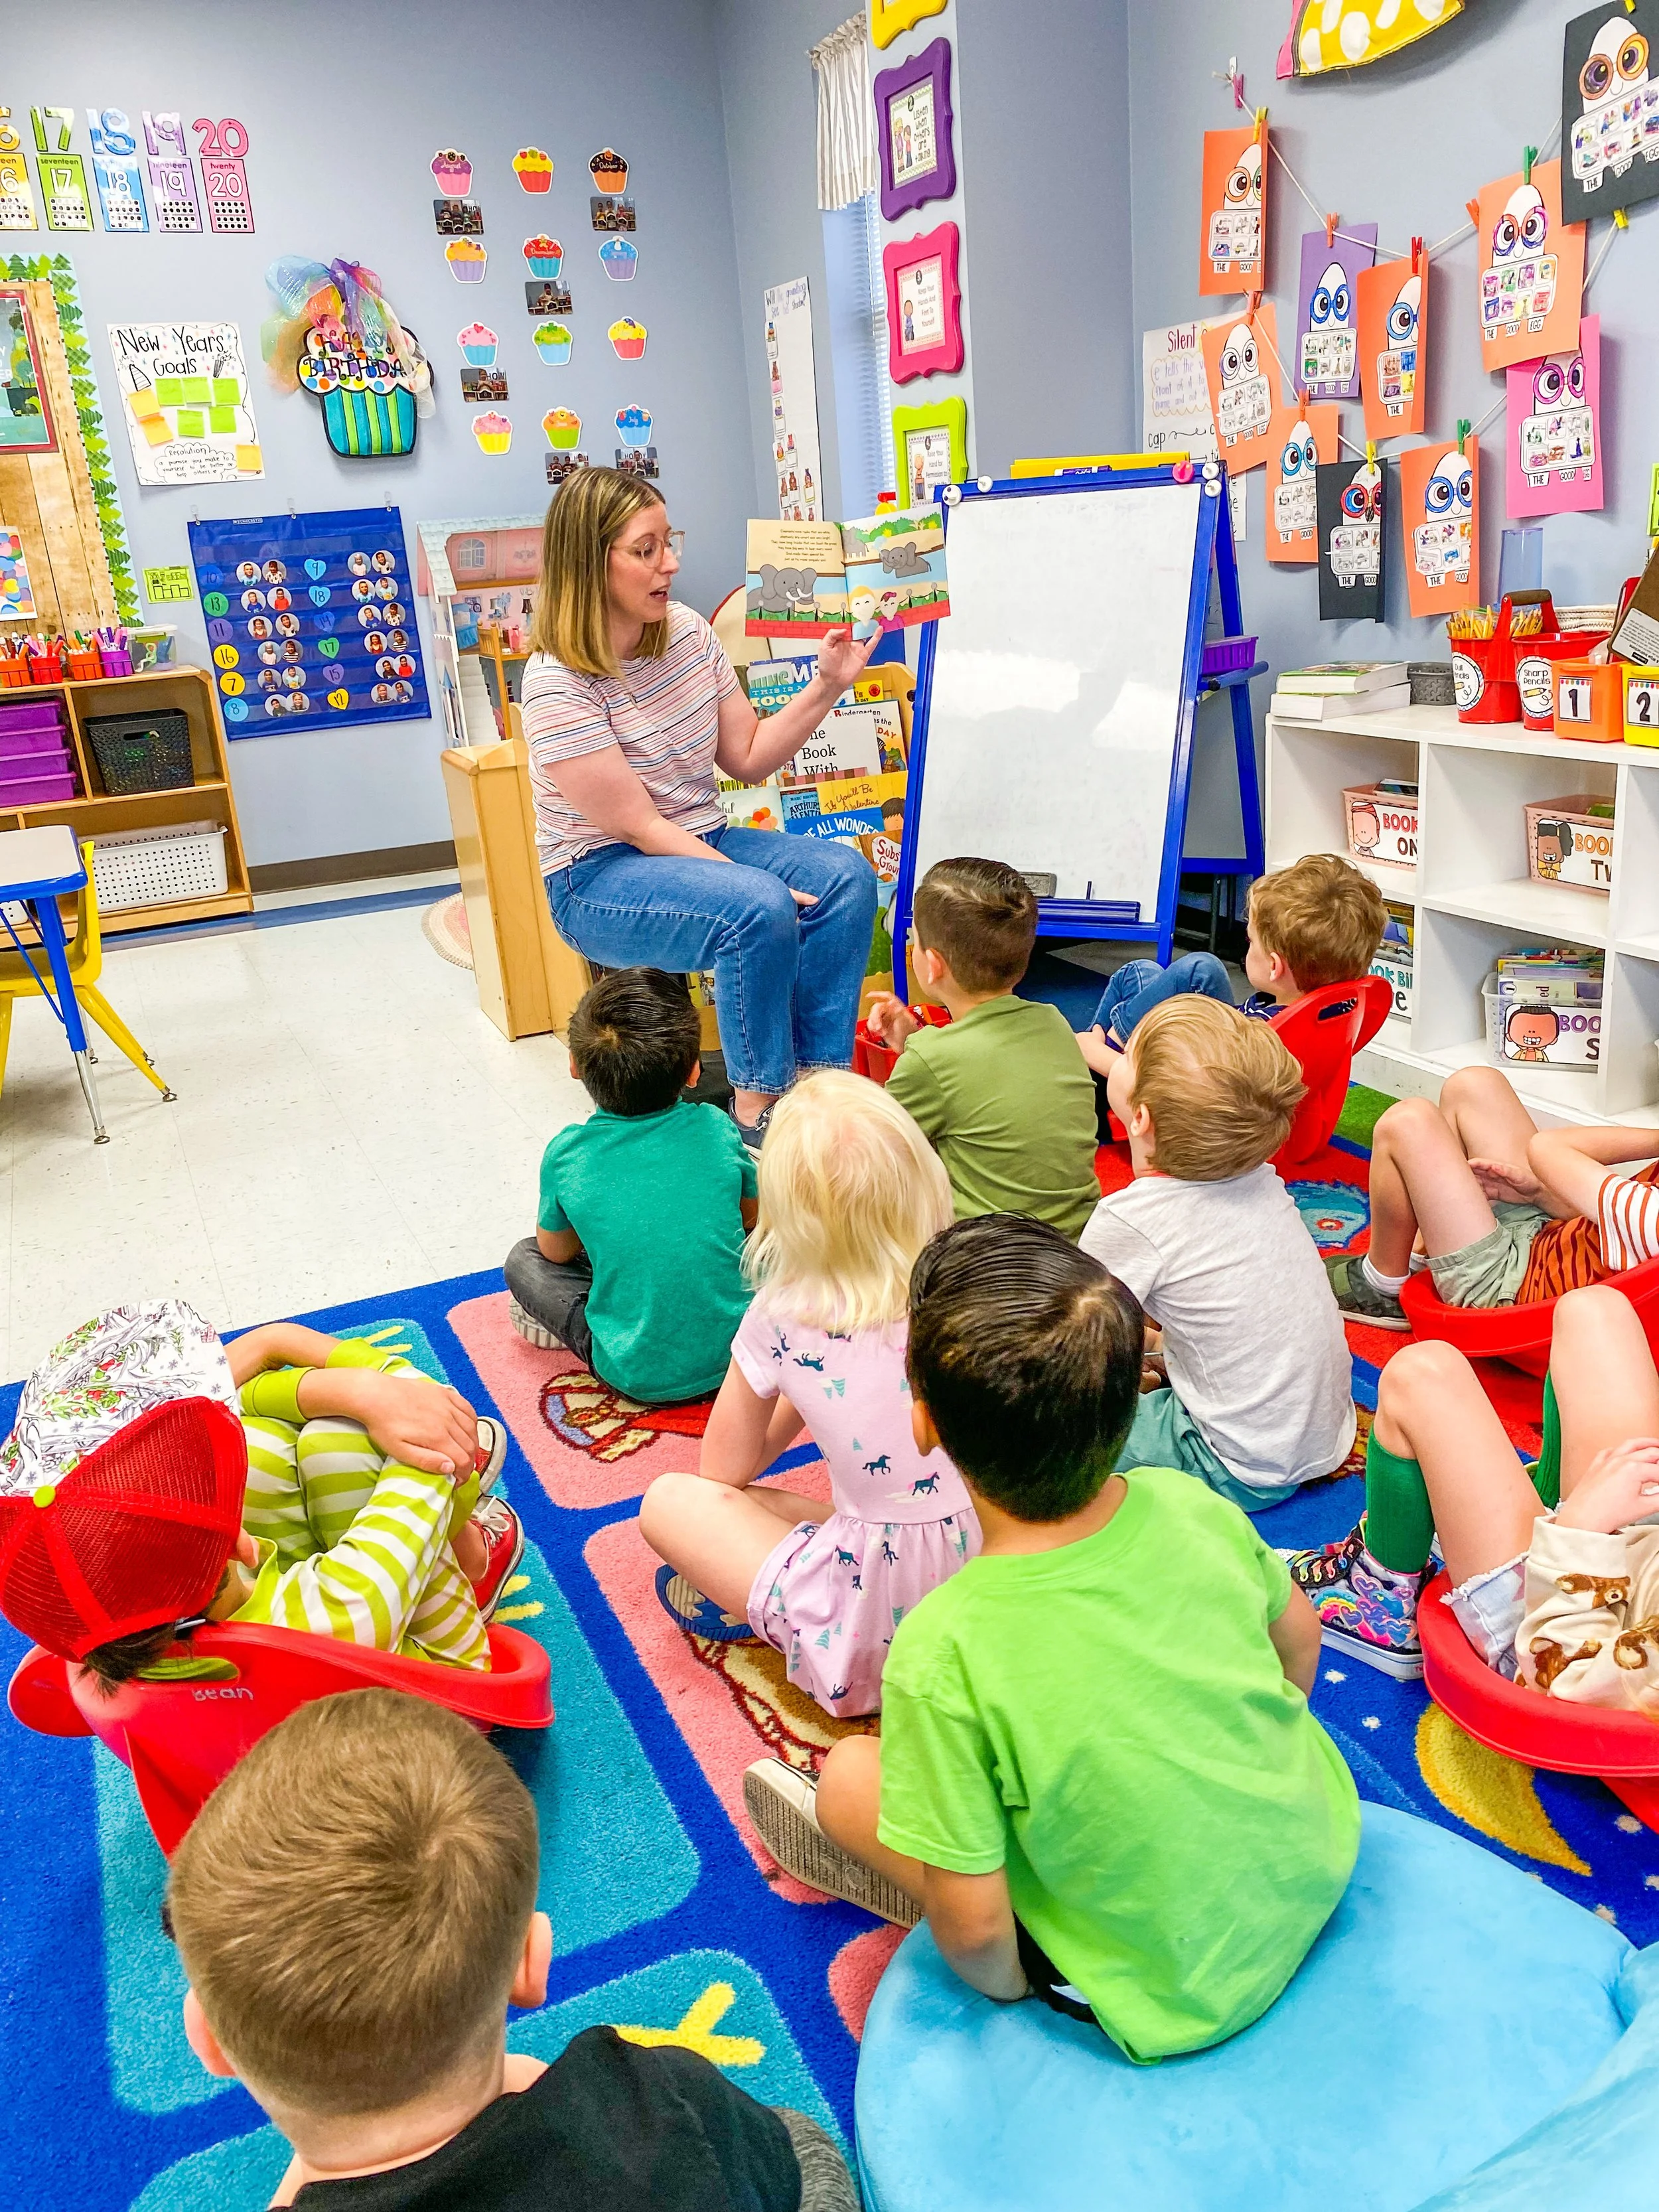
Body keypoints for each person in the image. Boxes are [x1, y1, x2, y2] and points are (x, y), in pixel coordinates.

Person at [743, 1216, 1359, 2060]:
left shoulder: (942, 1648)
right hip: (1316, 1855)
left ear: (922, 1425)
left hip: (1152, 1979)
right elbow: (1299, 1646)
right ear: (1134, 1391)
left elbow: (980, 1937)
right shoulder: (1193, 1507)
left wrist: (1017, 1987)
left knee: (851, 1776)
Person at [167, 1690, 856, 2210]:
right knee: (795, 2139)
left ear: (209, 2040)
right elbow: (790, 2168)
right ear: (532, 1963)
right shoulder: (650, 2097)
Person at [522, 467, 879, 1149]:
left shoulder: (685, 632)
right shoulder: (554, 683)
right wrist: (753, 884)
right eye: (646, 549)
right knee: (756, 906)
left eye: (669, 541)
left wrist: (827, 686)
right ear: (590, 563)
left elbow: (746, 754)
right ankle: (757, 1110)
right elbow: (640, 827)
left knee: (846, 876)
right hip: (596, 878)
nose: (671, 563)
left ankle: (817, 1083)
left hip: (697, 837)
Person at [639, 1070, 978, 1716]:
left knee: (674, 1501)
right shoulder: (971, 1278)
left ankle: (786, 1614)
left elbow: (723, 1472)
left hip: (869, 1640)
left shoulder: (783, 1313)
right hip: (995, 1588)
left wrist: (800, 1385)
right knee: (891, 1514)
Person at [0, 1301, 520, 1687]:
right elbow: (430, 1435)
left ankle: (453, 1515)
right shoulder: (342, 1610)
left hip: (272, 1681)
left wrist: (275, 1353)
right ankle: (472, 1554)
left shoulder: (100, 1638)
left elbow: (215, 1410)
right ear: (243, 1545)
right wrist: (367, 1390)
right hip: (433, 1684)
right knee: (348, 1438)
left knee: (261, 1443)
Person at [1286, 1284, 1659, 1692]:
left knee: (1422, 1374)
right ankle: (1544, 1503)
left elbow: (1567, 1672)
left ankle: (1381, 1601)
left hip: (1560, 1624)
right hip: (1642, 1556)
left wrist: (1579, 1528)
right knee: (1595, 1312)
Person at [1080, 996, 1355, 1506]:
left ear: (1139, 1118)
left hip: (1236, 1463)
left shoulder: (1131, 1219)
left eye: (1127, 1056)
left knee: (1053, 1427)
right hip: (1322, 1435)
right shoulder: (1262, 1178)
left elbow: (1074, 1343)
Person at [504, 967, 757, 1404]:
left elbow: (556, 1252)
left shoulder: (567, 1153)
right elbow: (751, 1220)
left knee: (523, 1259)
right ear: (695, 1071)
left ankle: (579, 1324)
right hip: (743, 1356)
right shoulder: (717, 1127)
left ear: (573, 1066)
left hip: (633, 1372)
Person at [863, 857, 1099, 1240]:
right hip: (1076, 1248)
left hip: (989, 1264)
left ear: (932, 965)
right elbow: (977, 1085)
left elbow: (873, 1154)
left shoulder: (931, 1059)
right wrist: (912, 1039)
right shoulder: (1054, 1022)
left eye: (914, 939)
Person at [1326, 1073, 1659, 1330]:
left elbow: (1548, 1148)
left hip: (1511, 1287)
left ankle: (1382, 1284)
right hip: (1553, 1239)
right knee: (1473, 1085)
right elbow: (1614, 1229)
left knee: (1407, 1122)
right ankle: (1419, 1258)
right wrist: (1538, 1194)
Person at [1076, 852, 1388, 1074]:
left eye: (1251, 941)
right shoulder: (1338, 1009)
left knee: (1181, 969)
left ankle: (1091, 1063)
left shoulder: (1256, 1045)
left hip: (1154, 1091)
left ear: (1275, 967)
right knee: (1146, 973)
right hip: (1224, 1041)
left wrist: (1100, 1055)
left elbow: (1184, 1091)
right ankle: (1104, 1043)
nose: (1246, 947)